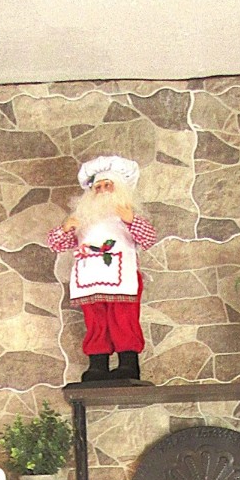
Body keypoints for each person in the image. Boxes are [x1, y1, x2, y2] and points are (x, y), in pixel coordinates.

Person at [47, 155, 157, 383]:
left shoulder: (126, 217)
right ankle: (98, 365)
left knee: (123, 320)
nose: (103, 190)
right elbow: (56, 245)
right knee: (96, 323)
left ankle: (128, 364)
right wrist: (65, 229)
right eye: (98, 187)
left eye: (108, 185)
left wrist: (131, 220)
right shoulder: (83, 219)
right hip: (89, 281)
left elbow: (148, 239)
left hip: (122, 279)